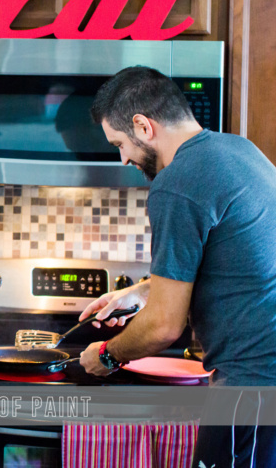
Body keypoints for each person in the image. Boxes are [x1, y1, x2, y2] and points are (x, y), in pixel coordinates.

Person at [79, 65, 276, 466]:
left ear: (143, 126)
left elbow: (164, 327)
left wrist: (105, 356)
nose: (123, 159)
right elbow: (234, 260)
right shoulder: (239, 149)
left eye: (120, 143)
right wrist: (136, 292)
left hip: (253, 392)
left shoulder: (176, 183)